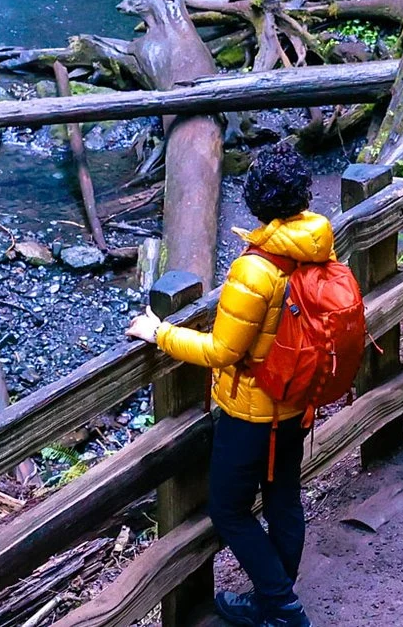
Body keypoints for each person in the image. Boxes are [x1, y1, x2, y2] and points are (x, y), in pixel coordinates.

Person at [125, 143, 330, 627]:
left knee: (228, 510)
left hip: (253, 413)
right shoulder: (314, 242)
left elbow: (222, 352)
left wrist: (159, 332)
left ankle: (281, 606)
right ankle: (272, 600)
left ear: (256, 203)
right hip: (295, 403)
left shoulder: (254, 268)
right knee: (282, 497)